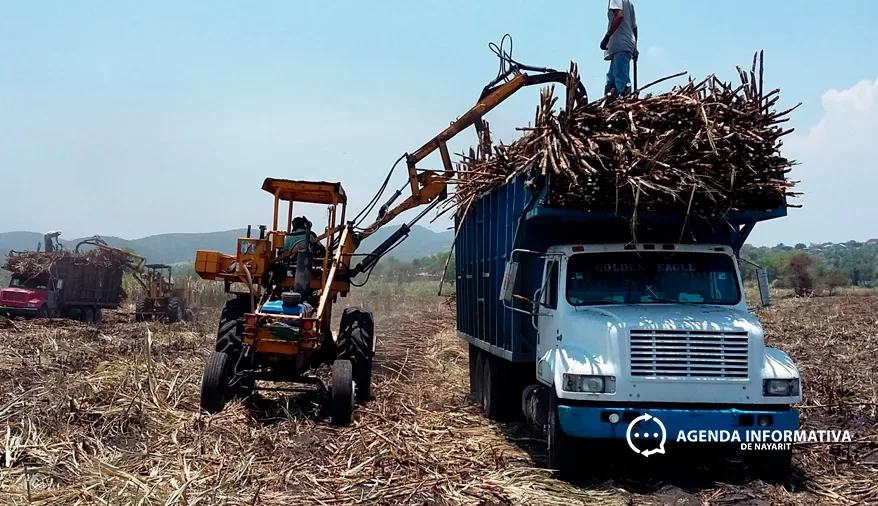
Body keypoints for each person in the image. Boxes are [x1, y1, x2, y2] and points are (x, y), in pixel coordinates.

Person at [600, 0, 638, 98]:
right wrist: (635, 46)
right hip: (626, 44)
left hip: (621, 44)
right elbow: (634, 27)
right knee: (611, 81)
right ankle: (609, 105)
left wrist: (607, 37)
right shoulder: (629, 2)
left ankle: (625, 102)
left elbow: (619, 15)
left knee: (620, 79)